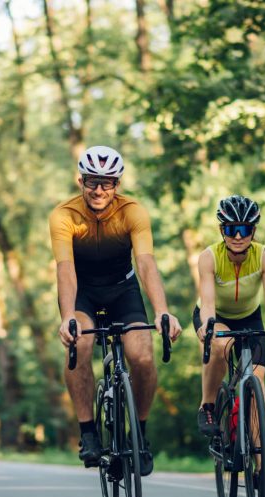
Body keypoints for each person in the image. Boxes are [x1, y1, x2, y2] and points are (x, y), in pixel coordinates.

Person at [50, 145, 182, 476]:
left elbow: (146, 263)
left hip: (123, 290)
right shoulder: (64, 216)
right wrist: (67, 316)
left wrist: (162, 311)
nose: (99, 190)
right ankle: (88, 432)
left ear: (117, 185)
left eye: (107, 183)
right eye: (92, 181)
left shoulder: (133, 212)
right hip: (83, 292)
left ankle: (140, 432)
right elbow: (65, 268)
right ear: (80, 180)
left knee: (142, 355)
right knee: (78, 343)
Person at [193, 195, 265, 497]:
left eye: (244, 229)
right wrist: (208, 326)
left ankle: (261, 470)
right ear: (222, 229)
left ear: (253, 230)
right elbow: (209, 305)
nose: (238, 236)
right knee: (221, 345)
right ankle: (208, 406)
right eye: (231, 229)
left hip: (250, 318)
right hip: (216, 316)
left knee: (258, 388)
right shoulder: (209, 257)